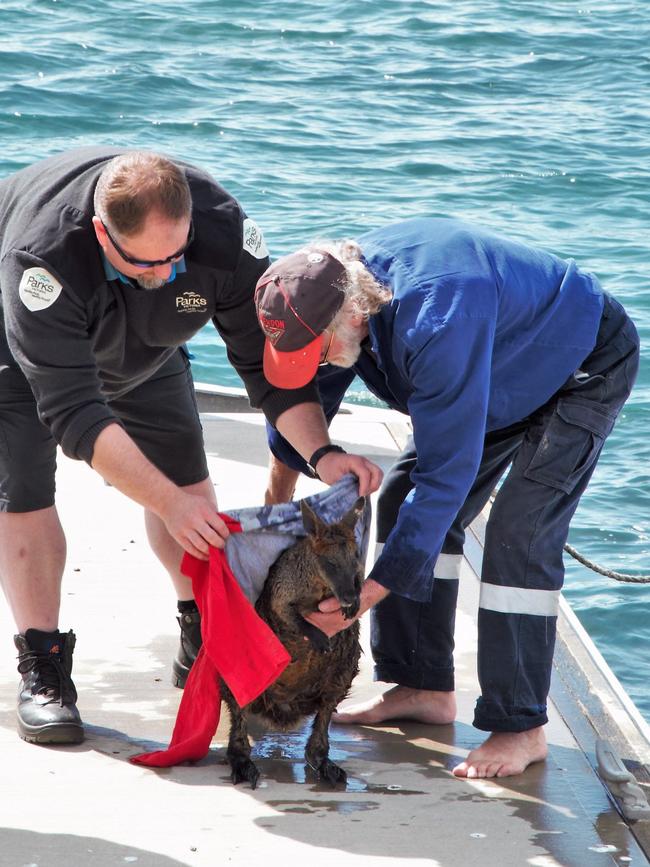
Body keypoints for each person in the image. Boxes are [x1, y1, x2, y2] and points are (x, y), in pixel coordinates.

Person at [0, 147, 381, 746]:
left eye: (178, 255)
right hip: (21, 360)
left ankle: (199, 633)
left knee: (190, 491)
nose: (167, 273)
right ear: (102, 232)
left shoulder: (224, 231)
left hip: (146, 351)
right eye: (147, 263)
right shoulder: (40, 260)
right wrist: (170, 507)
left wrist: (321, 455)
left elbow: (267, 367)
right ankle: (42, 664)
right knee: (23, 494)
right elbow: (75, 415)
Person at [255, 218, 640, 778]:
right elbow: (303, 408)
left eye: (317, 352)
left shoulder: (436, 323)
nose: (311, 361)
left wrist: (362, 598)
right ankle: (421, 685)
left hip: (580, 361)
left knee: (517, 533)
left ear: (357, 318)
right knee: (400, 495)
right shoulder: (321, 290)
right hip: (496, 356)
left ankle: (521, 726)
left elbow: (446, 481)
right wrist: (276, 517)